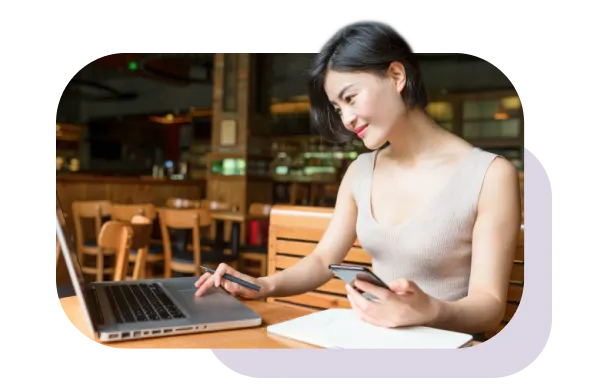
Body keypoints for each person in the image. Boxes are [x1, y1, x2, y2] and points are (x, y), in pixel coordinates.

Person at [194, 18, 522, 335]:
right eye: (337, 108)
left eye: (350, 98)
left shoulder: (490, 175)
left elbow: (489, 306)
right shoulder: (360, 171)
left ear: (396, 76)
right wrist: (261, 285)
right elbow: (323, 259)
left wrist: (429, 310)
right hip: (369, 340)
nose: (347, 119)